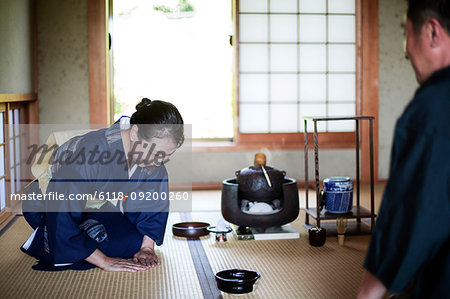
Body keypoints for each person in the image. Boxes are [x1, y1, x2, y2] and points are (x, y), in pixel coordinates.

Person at [21, 98, 184, 272]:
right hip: (49, 205)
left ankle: (70, 241)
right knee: (85, 247)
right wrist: (104, 261)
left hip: (93, 205)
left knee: (133, 243)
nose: (158, 161)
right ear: (135, 132)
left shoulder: (151, 161)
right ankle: (45, 240)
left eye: (166, 155)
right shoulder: (89, 151)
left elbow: (152, 202)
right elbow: (62, 208)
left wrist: (147, 248)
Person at [358, 0, 450, 298]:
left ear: (432, 32)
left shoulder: (433, 108)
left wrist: (369, 292)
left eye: (406, 33)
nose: (406, 49)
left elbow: (415, 212)